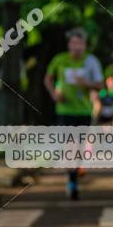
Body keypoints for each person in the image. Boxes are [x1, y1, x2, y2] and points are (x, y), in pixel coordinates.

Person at [44, 27, 104, 200]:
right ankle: (71, 180)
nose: (76, 47)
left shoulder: (91, 61)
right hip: (64, 110)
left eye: (79, 43)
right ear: (69, 45)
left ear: (84, 45)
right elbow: (47, 78)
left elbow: (100, 85)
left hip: (84, 110)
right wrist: (54, 94)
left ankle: (74, 173)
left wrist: (87, 83)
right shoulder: (60, 60)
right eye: (73, 43)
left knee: (77, 147)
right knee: (70, 145)